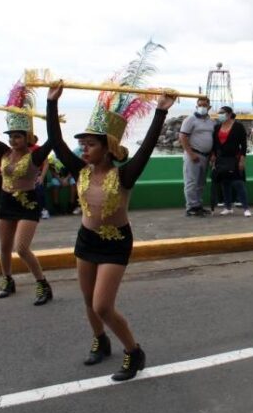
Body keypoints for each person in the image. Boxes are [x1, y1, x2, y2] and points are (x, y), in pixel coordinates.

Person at [46, 78, 176, 382]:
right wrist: (52, 102)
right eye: (83, 144)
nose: (84, 148)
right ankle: (100, 341)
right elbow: (56, 140)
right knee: (87, 299)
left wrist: (160, 112)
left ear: (108, 148)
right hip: (86, 239)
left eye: (91, 144)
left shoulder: (125, 175)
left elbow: (146, 147)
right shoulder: (80, 169)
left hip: (116, 243)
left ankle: (133, 351)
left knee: (102, 305)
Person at [0, 83, 54, 305]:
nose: (13, 140)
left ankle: (42, 284)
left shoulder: (35, 157)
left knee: (21, 248)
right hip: (6, 200)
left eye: (17, 136)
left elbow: (54, 138)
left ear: (27, 137)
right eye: (11, 136)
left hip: (28, 203)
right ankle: (7, 280)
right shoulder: (4, 152)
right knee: (4, 247)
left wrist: (52, 109)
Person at [212, 106, 252, 217]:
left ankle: (246, 208)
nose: (219, 114)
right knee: (225, 184)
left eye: (222, 112)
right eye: (219, 112)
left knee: (238, 183)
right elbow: (215, 144)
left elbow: (243, 145)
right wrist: (213, 156)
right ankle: (227, 207)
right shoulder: (217, 127)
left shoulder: (238, 126)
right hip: (221, 160)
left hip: (235, 159)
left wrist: (242, 160)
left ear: (229, 114)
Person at [180, 97, 214, 217]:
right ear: (196, 106)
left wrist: (212, 155)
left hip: (206, 156)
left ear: (209, 107)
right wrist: (191, 154)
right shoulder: (190, 119)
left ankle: (198, 205)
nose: (202, 107)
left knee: (200, 182)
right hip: (193, 155)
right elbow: (182, 137)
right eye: (200, 105)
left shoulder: (211, 121)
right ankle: (191, 207)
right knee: (191, 182)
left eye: (204, 105)